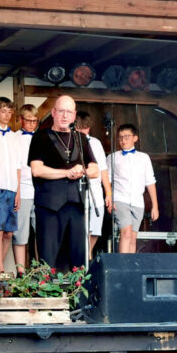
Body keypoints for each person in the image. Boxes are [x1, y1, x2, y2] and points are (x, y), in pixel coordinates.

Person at [28, 95, 99, 270]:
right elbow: (37, 169)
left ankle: (78, 292)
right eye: (61, 111)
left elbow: (95, 170)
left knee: (78, 255)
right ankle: (47, 292)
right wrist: (67, 173)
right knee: (48, 256)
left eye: (69, 112)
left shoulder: (81, 139)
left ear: (74, 116)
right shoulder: (40, 137)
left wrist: (81, 171)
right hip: (49, 204)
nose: (65, 116)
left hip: (76, 203)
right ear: (53, 112)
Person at [106, 123, 159, 253]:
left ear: (135, 138)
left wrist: (155, 206)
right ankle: (123, 268)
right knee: (126, 233)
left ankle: (130, 270)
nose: (123, 140)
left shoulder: (144, 158)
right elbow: (107, 180)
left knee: (133, 238)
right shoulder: (112, 157)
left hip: (137, 202)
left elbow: (150, 182)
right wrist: (109, 199)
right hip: (119, 200)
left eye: (126, 137)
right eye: (120, 137)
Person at [75, 111, 112, 259]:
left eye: (85, 128)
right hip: (76, 190)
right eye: (79, 127)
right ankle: (80, 261)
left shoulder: (95, 143)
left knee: (95, 229)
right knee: (80, 229)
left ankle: (88, 256)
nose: (82, 131)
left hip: (95, 190)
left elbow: (103, 170)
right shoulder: (71, 142)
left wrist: (108, 194)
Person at [0, 97, 20, 273]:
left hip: (12, 187)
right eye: (3, 111)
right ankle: (0, 269)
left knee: (9, 233)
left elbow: (18, 165)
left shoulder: (14, 137)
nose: (7, 115)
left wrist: (18, 192)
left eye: (10, 111)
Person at [12, 104, 38, 274]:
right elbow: (14, 166)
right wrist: (17, 191)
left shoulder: (43, 137)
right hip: (22, 188)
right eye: (28, 121)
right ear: (21, 119)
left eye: (35, 121)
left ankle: (42, 272)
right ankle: (21, 273)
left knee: (42, 233)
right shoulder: (14, 138)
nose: (31, 124)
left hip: (41, 190)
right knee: (20, 233)